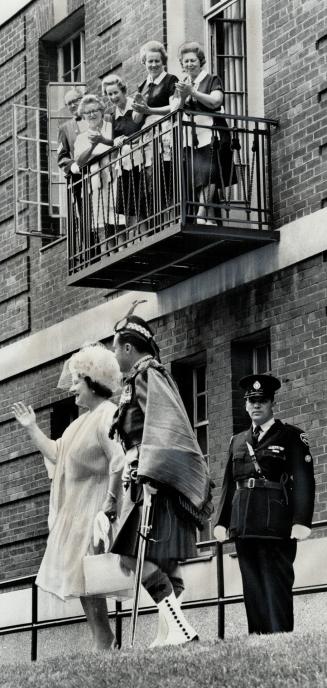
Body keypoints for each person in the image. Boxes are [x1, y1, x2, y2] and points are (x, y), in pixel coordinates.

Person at [99, 302, 212, 647]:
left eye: (115, 347)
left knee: (133, 557)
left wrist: (150, 471)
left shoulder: (148, 374)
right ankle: (170, 632)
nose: (113, 354)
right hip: (145, 477)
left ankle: (178, 629)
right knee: (163, 560)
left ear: (129, 348)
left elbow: (163, 425)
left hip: (154, 480)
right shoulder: (139, 377)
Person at [12, 344, 125, 651]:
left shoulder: (106, 416)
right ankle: (103, 638)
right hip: (77, 513)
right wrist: (32, 428)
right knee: (84, 581)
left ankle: (106, 638)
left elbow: (118, 460)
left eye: (78, 380)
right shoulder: (79, 423)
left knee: (93, 578)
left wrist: (111, 502)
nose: (73, 387)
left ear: (93, 382)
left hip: (95, 509)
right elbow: (57, 454)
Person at [214, 373, 315, 634]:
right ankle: (257, 637)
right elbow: (228, 484)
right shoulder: (236, 441)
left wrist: (301, 521)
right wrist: (222, 521)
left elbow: (304, 481)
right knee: (253, 585)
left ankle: (280, 637)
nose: (256, 405)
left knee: (276, 583)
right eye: (251, 401)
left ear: (271, 404)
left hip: (276, 524)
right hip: (244, 523)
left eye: (262, 400)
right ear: (246, 405)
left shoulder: (291, 436)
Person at [172, 41, 237, 224]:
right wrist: (184, 95)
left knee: (210, 175)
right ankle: (210, 218)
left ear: (200, 61)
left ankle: (201, 214)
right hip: (195, 138)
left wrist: (194, 92)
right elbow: (176, 109)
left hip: (213, 134)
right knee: (201, 178)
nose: (189, 64)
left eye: (193, 60)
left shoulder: (211, 79)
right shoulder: (183, 84)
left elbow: (216, 101)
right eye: (186, 62)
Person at [131, 41, 178, 227]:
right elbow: (136, 119)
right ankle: (155, 222)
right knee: (150, 178)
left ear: (163, 61)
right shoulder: (142, 85)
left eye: (157, 61)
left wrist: (149, 110)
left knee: (166, 172)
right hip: (148, 135)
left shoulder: (170, 80)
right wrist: (140, 108)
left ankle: (168, 219)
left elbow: (174, 107)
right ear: (144, 62)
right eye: (150, 61)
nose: (153, 65)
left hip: (164, 129)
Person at [74, 94, 121, 251]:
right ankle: (107, 256)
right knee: (101, 224)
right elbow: (79, 162)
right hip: (95, 185)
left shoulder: (111, 126)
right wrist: (93, 147)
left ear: (102, 111)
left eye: (95, 110)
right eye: (88, 112)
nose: (92, 114)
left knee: (118, 219)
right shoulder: (81, 138)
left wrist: (102, 140)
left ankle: (122, 251)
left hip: (114, 176)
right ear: (83, 116)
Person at [102, 75, 143, 239]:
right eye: (109, 94)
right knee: (128, 199)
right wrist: (115, 141)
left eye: (115, 93)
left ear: (123, 91)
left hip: (141, 155)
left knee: (141, 195)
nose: (113, 97)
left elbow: (144, 126)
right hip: (124, 161)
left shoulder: (135, 106)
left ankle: (144, 231)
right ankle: (135, 234)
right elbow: (108, 142)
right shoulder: (110, 116)